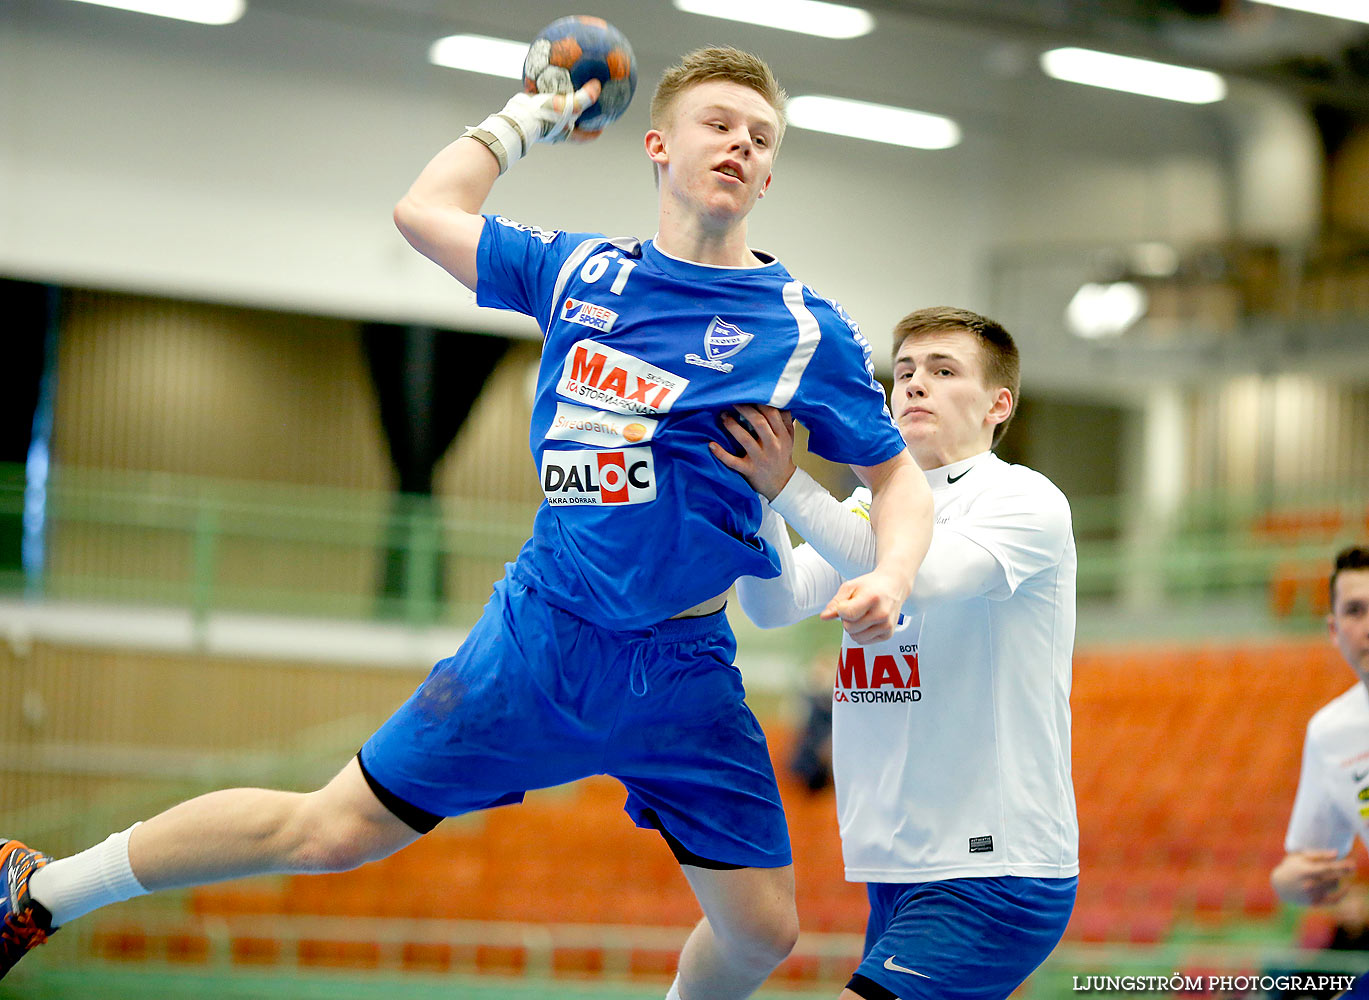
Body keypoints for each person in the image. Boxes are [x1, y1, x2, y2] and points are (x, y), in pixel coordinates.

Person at [0, 47, 935, 999]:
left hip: (683, 674)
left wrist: (890, 578)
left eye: (760, 137)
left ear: (770, 174)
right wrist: (529, 115)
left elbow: (897, 481)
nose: (740, 143)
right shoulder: (581, 270)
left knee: (763, 934)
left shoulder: (801, 329)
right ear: (658, 145)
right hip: (542, 639)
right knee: (329, 832)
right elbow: (425, 214)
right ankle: (41, 889)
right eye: (719, 124)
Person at [712, 306, 1079, 1000]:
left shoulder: (1023, 499)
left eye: (943, 372)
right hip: (896, 865)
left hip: (991, 863)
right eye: (904, 371)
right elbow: (771, 604)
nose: (915, 385)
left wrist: (788, 485)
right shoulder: (866, 503)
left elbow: (915, 577)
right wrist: (754, 490)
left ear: (998, 404)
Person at [1271, 545, 1369, 998]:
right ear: (1334, 629)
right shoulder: (1331, 734)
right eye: (1355, 610)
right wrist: (1286, 883)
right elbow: (1308, 865)